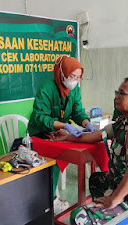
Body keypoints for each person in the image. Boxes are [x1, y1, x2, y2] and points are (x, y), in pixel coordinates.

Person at [52, 77, 128, 224]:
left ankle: (111, 214)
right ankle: (103, 216)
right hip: (123, 183)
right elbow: (96, 135)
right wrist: (68, 137)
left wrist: (114, 199)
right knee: (96, 179)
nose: (116, 97)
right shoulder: (125, 121)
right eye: (117, 92)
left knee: (78, 216)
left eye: (122, 93)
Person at [27, 55, 96, 211]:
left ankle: (50, 199)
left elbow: (77, 111)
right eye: (72, 76)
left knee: (57, 163)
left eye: (78, 77)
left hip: (57, 135)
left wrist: (86, 123)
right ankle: (45, 202)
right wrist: (65, 125)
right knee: (46, 169)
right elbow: (40, 117)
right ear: (61, 73)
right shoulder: (46, 89)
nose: (75, 81)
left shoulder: (74, 90)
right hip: (39, 134)